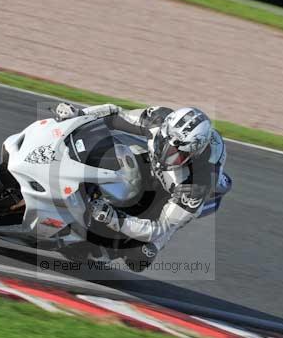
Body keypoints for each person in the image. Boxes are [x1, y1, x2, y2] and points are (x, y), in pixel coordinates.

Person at [55, 102, 231, 271]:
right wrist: (79, 114)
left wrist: (113, 218)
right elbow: (114, 113)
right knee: (120, 157)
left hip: (182, 188)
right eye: (164, 142)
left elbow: (157, 229)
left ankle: (107, 247)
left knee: (140, 257)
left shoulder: (195, 186)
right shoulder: (158, 118)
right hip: (160, 153)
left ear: (192, 155)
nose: (166, 154)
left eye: (175, 154)